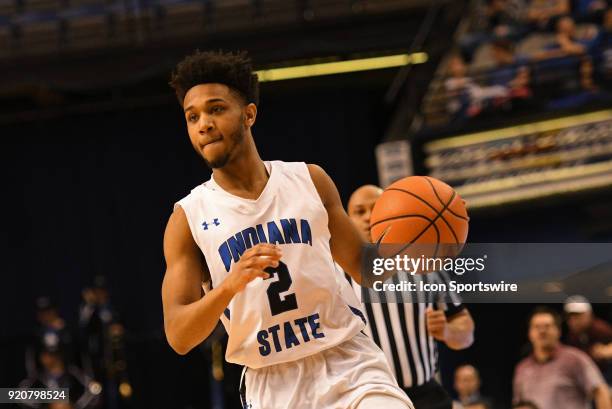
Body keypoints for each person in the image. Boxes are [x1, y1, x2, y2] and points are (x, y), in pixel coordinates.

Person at [161, 50, 414, 409]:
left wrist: (412, 239)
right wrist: (229, 287)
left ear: (249, 114)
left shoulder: (310, 180)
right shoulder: (187, 218)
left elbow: (368, 270)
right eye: (192, 117)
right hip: (272, 384)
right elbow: (178, 335)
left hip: (347, 362)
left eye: (216, 109)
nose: (203, 124)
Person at [345, 185, 475, 409]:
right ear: (346, 221)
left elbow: (466, 332)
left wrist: (447, 331)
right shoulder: (335, 272)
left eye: (375, 209)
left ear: (389, 212)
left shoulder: (425, 261)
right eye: (359, 212)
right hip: (364, 399)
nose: (368, 218)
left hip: (426, 396)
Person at [512, 306, 611, 409]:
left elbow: (601, 391)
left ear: (558, 331)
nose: (542, 331)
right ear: (529, 333)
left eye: (547, 326)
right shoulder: (522, 368)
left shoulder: (575, 359)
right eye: (537, 327)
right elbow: (519, 404)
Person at [564, 295, 612, 383]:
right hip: (584, 375)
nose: (574, 321)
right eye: (571, 317)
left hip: (604, 374)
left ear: (589, 314)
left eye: (578, 316)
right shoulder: (572, 335)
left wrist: (607, 351)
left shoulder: (601, 329)